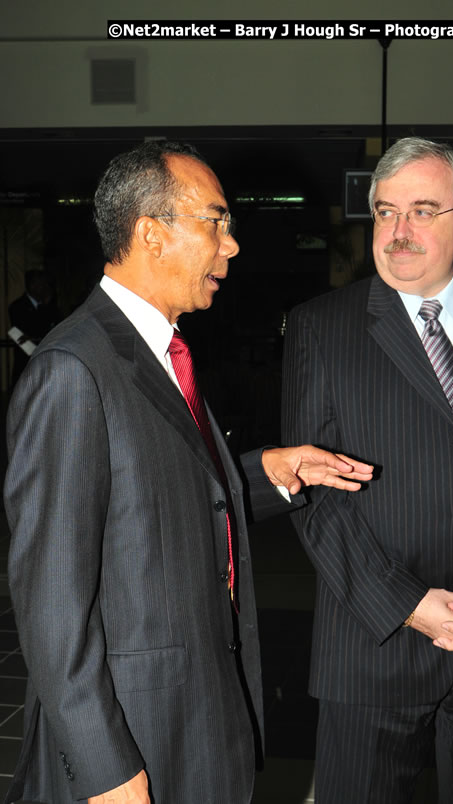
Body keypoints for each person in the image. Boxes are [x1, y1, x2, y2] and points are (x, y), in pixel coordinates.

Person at [3, 141, 373, 804]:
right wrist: (106, 769)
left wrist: (268, 472)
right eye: (215, 222)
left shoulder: (159, 352)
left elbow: (161, 497)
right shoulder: (73, 370)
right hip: (137, 735)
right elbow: (51, 606)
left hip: (199, 714)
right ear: (150, 232)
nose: (231, 247)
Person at [282, 137, 453, 803]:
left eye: (423, 210)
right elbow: (312, 496)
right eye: (385, 211)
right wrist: (408, 605)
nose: (399, 231)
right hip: (371, 646)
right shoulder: (320, 329)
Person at [8, 269, 59, 387]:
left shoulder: (49, 306)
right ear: (33, 285)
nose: (45, 288)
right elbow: (29, 332)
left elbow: (56, 327)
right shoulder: (17, 307)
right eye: (42, 284)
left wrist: (48, 306)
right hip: (26, 365)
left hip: (45, 364)